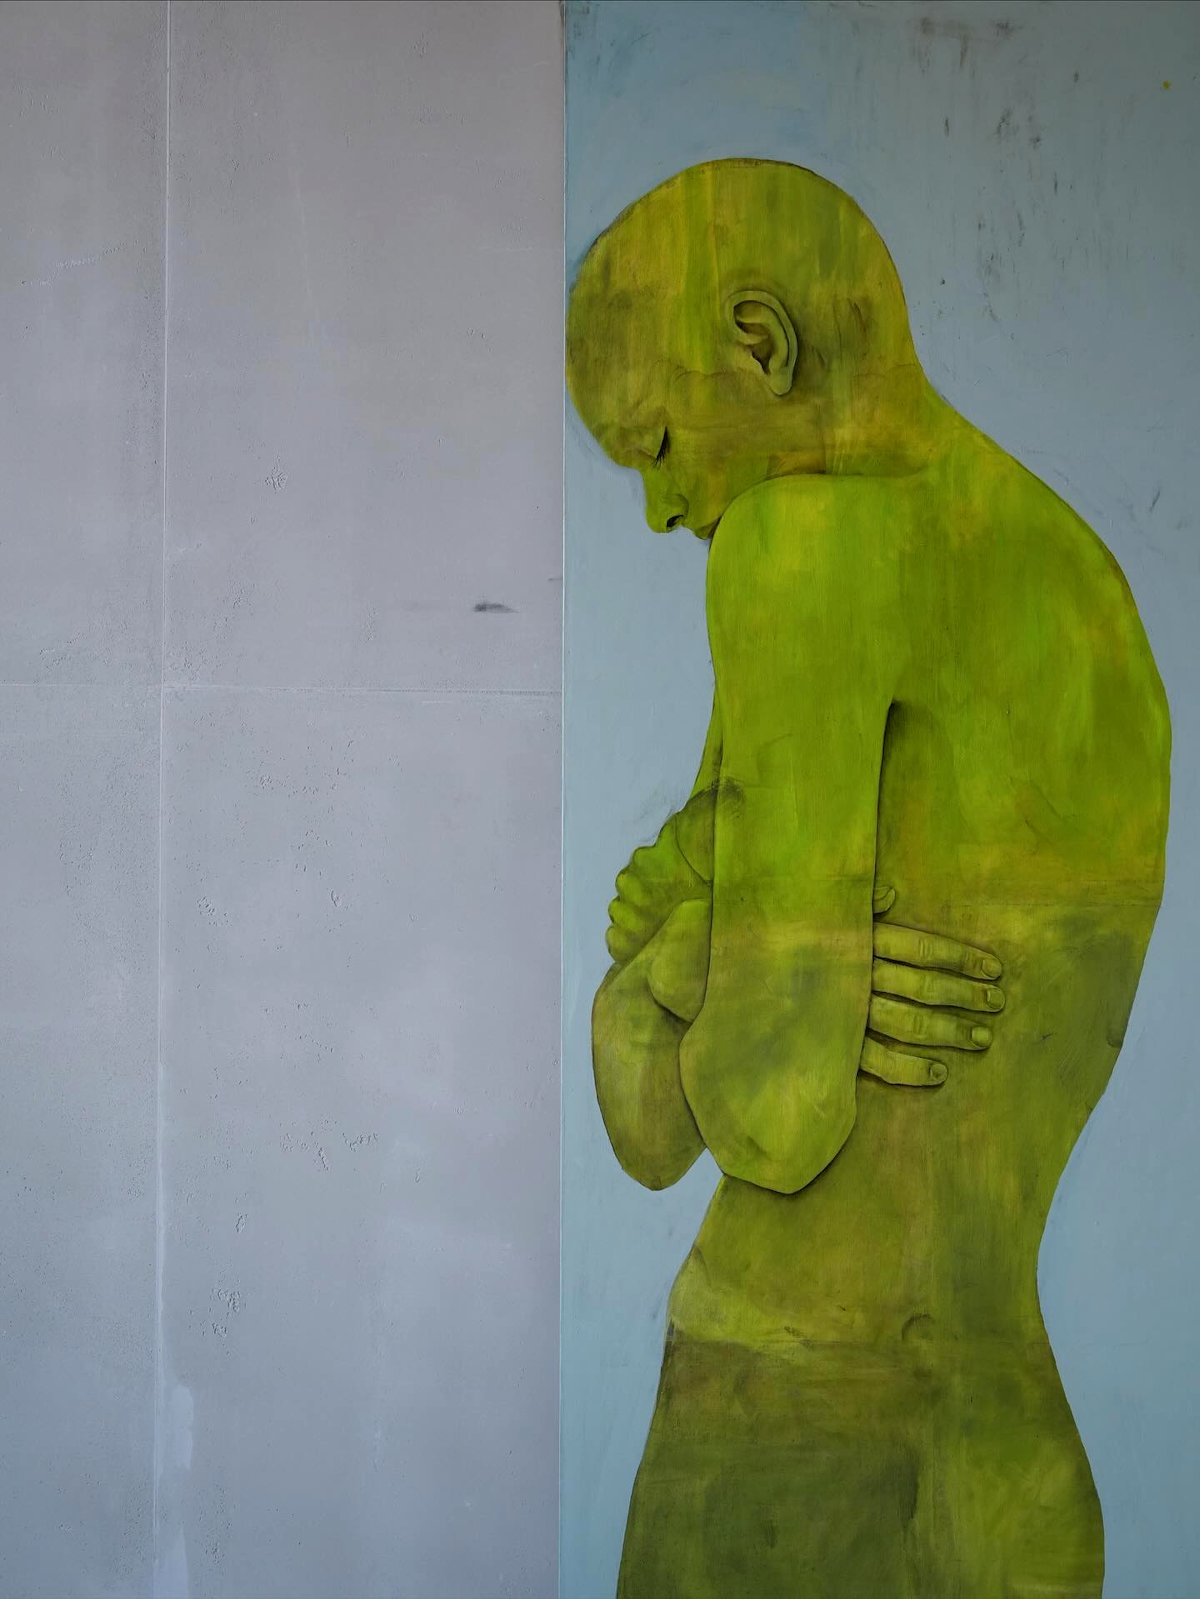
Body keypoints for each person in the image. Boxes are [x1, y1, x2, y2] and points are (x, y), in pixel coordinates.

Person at [567, 159, 1170, 1598]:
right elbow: (659, 1109)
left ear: (760, 345)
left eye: (656, 443)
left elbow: (747, 1118)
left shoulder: (798, 549)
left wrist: (680, 959)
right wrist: (746, 939)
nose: (658, 509)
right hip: (1004, 1459)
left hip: (788, 1435)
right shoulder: (1076, 578)